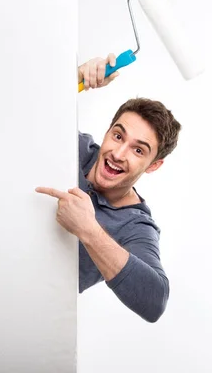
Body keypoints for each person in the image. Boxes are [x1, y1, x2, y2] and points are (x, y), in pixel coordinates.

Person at [35, 54, 181, 323]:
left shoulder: (134, 226)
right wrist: (71, 81)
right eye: (117, 136)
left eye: (138, 150)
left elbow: (155, 302)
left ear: (153, 165)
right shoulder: (70, 145)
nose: (118, 153)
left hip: (27, 318)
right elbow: (13, 109)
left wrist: (88, 230)